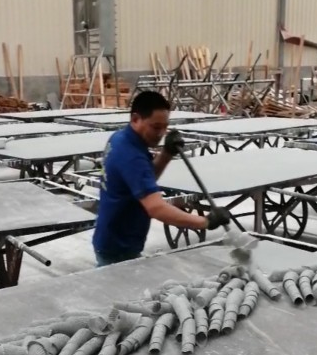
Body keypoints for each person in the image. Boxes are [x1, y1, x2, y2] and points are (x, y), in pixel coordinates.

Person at [92, 90, 230, 266]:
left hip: (113, 237)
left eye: (165, 127)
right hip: (118, 248)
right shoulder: (132, 156)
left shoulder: (120, 139)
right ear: (135, 119)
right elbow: (156, 208)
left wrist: (167, 153)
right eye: (156, 127)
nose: (161, 133)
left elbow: (143, 181)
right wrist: (205, 222)